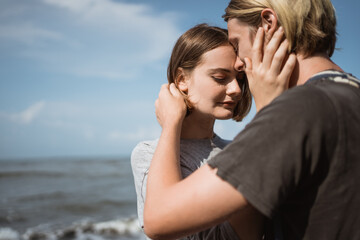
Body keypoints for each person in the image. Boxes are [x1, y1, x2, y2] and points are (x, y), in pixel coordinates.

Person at [143, 0, 360, 239]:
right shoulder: (348, 94)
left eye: (237, 43)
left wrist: (270, 111)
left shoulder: (301, 109)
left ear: (269, 24)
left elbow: (158, 219)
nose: (238, 62)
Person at [131, 23, 257, 239]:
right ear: (182, 80)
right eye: (220, 77)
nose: (236, 89)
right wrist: (172, 122)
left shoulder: (238, 151)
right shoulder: (148, 154)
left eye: (240, 78)